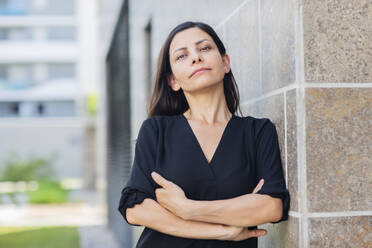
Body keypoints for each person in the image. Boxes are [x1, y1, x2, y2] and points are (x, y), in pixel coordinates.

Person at [118, 21, 290, 248]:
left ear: (225, 62)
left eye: (205, 48)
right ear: (173, 81)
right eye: (182, 56)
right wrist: (221, 231)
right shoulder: (156, 130)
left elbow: (272, 207)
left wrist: (189, 209)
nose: (195, 58)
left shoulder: (257, 132)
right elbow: (135, 209)